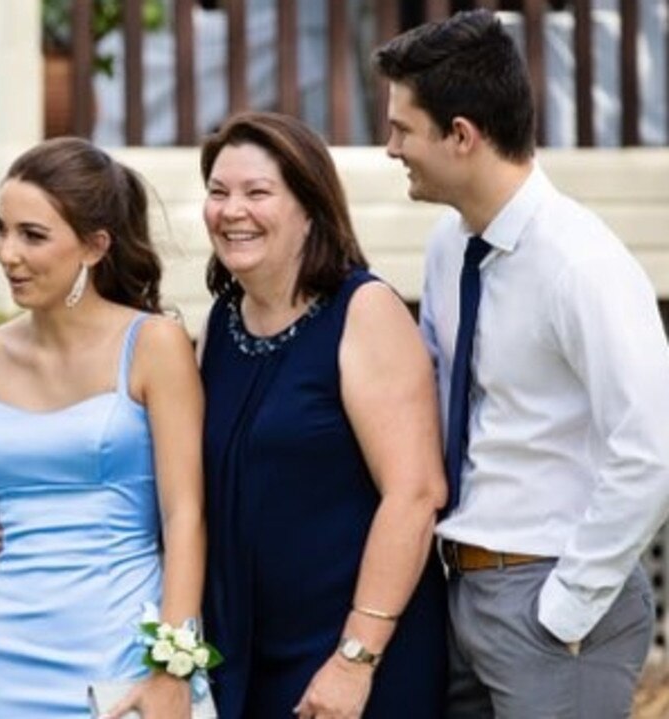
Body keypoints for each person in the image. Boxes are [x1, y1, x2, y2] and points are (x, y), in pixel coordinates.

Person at [375, 9, 669, 717]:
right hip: (461, 587)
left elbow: (653, 445)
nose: (390, 148)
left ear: (462, 136)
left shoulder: (580, 263)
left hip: (552, 603)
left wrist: (567, 606)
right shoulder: (450, 245)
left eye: (401, 128)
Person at [0, 136, 208, 718]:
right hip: (10, 654)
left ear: (94, 247)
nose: (7, 253)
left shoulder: (153, 345)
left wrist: (173, 665)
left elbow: (185, 516)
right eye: (1, 228)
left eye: (32, 235)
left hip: (124, 650)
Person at [196, 111, 449, 718]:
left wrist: (355, 659)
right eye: (218, 192)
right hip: (245, 654)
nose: (233, 211)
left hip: (353, 652)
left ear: (310, 209)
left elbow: (414, 494)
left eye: (258, 193)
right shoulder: (220, 326)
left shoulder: (365, 311)